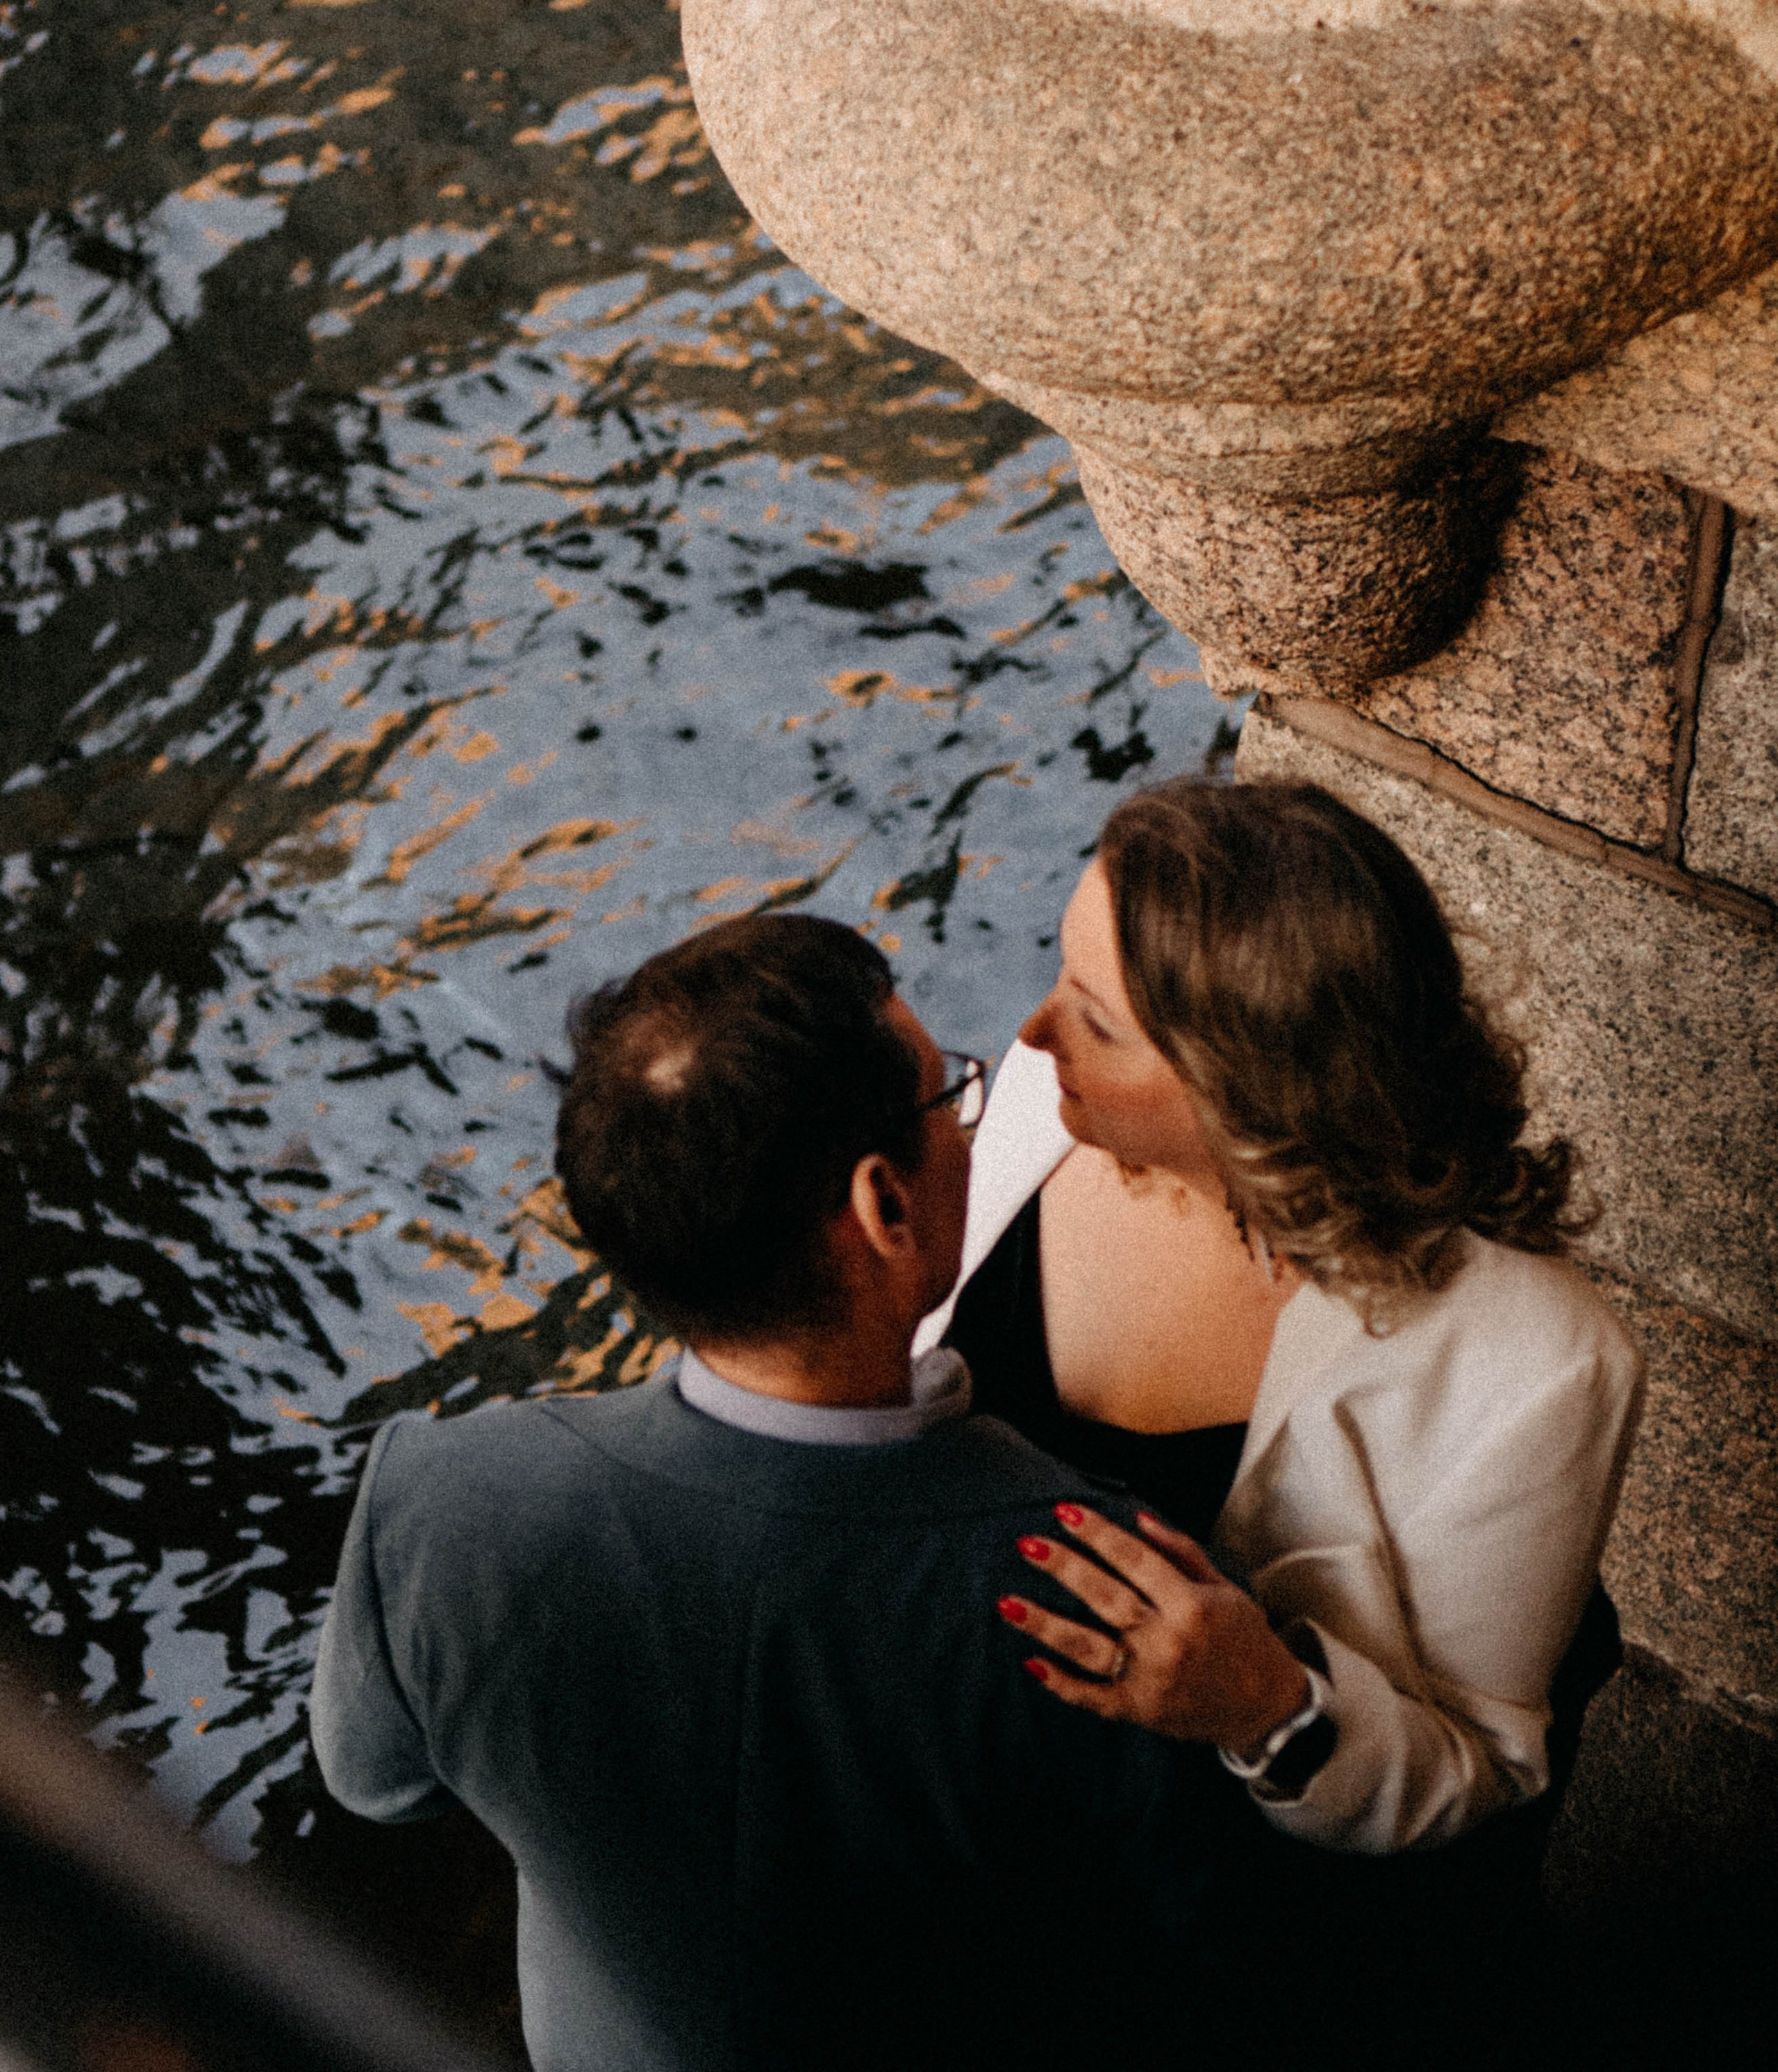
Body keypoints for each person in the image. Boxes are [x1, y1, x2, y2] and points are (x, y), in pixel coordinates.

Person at [309, 913, 1228, 2072]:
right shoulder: (1094, 1591)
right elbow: (1188, 1946)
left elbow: (376, 1781)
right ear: (883, 1210)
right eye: (955, 1104)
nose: (971, 1126)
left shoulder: (435, 1499)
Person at [924, 775, 1645, 2042]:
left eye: (1094, 1018)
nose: (1031, 1038)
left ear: (1245, 1091)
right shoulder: (1047, 1110)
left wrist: (1271, 1707)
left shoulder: (1541, 1366)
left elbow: (1479, 1771)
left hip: (1267, 1958)